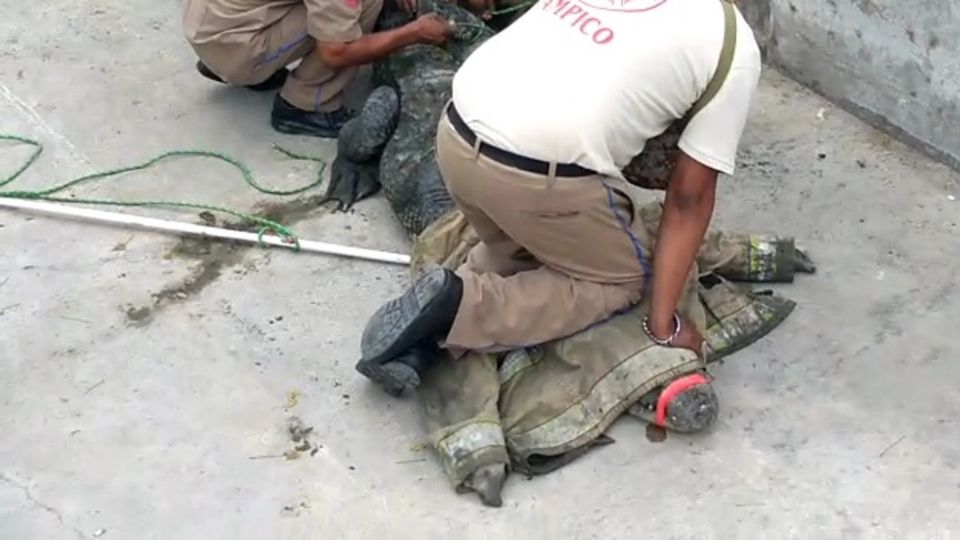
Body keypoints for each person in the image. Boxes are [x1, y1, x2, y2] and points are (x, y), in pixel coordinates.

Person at [355, 0, 762, 389]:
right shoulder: (731, 43)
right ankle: (459, 308)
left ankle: (424, 335)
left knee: (520, 253)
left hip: (455, 136)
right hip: (532, 179)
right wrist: (664, 325)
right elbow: (689, 199)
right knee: (619, 282)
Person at [182, 0, 457, 138]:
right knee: (361, 8)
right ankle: (306, 104)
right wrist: (413, 33)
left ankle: (235, 63)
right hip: (231, 44)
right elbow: (337, 52)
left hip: (209, 22)